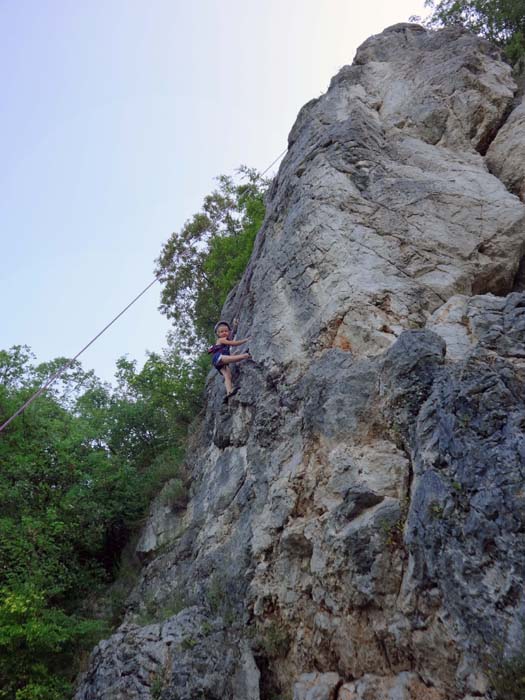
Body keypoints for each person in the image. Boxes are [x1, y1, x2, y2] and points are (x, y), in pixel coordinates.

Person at [208, 319, 251, 400]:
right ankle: (246, 355)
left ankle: (229, 392)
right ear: (218, 334)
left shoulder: (226, 338)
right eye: (221, 332)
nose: (224, 333)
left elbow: (232, 334)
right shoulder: (221, 340)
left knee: (228, 376)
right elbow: (233, 343)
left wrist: (235, 325)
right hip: (218, 357)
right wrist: (245, 340)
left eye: (226, 331)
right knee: (234, 358)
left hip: (219, 363)